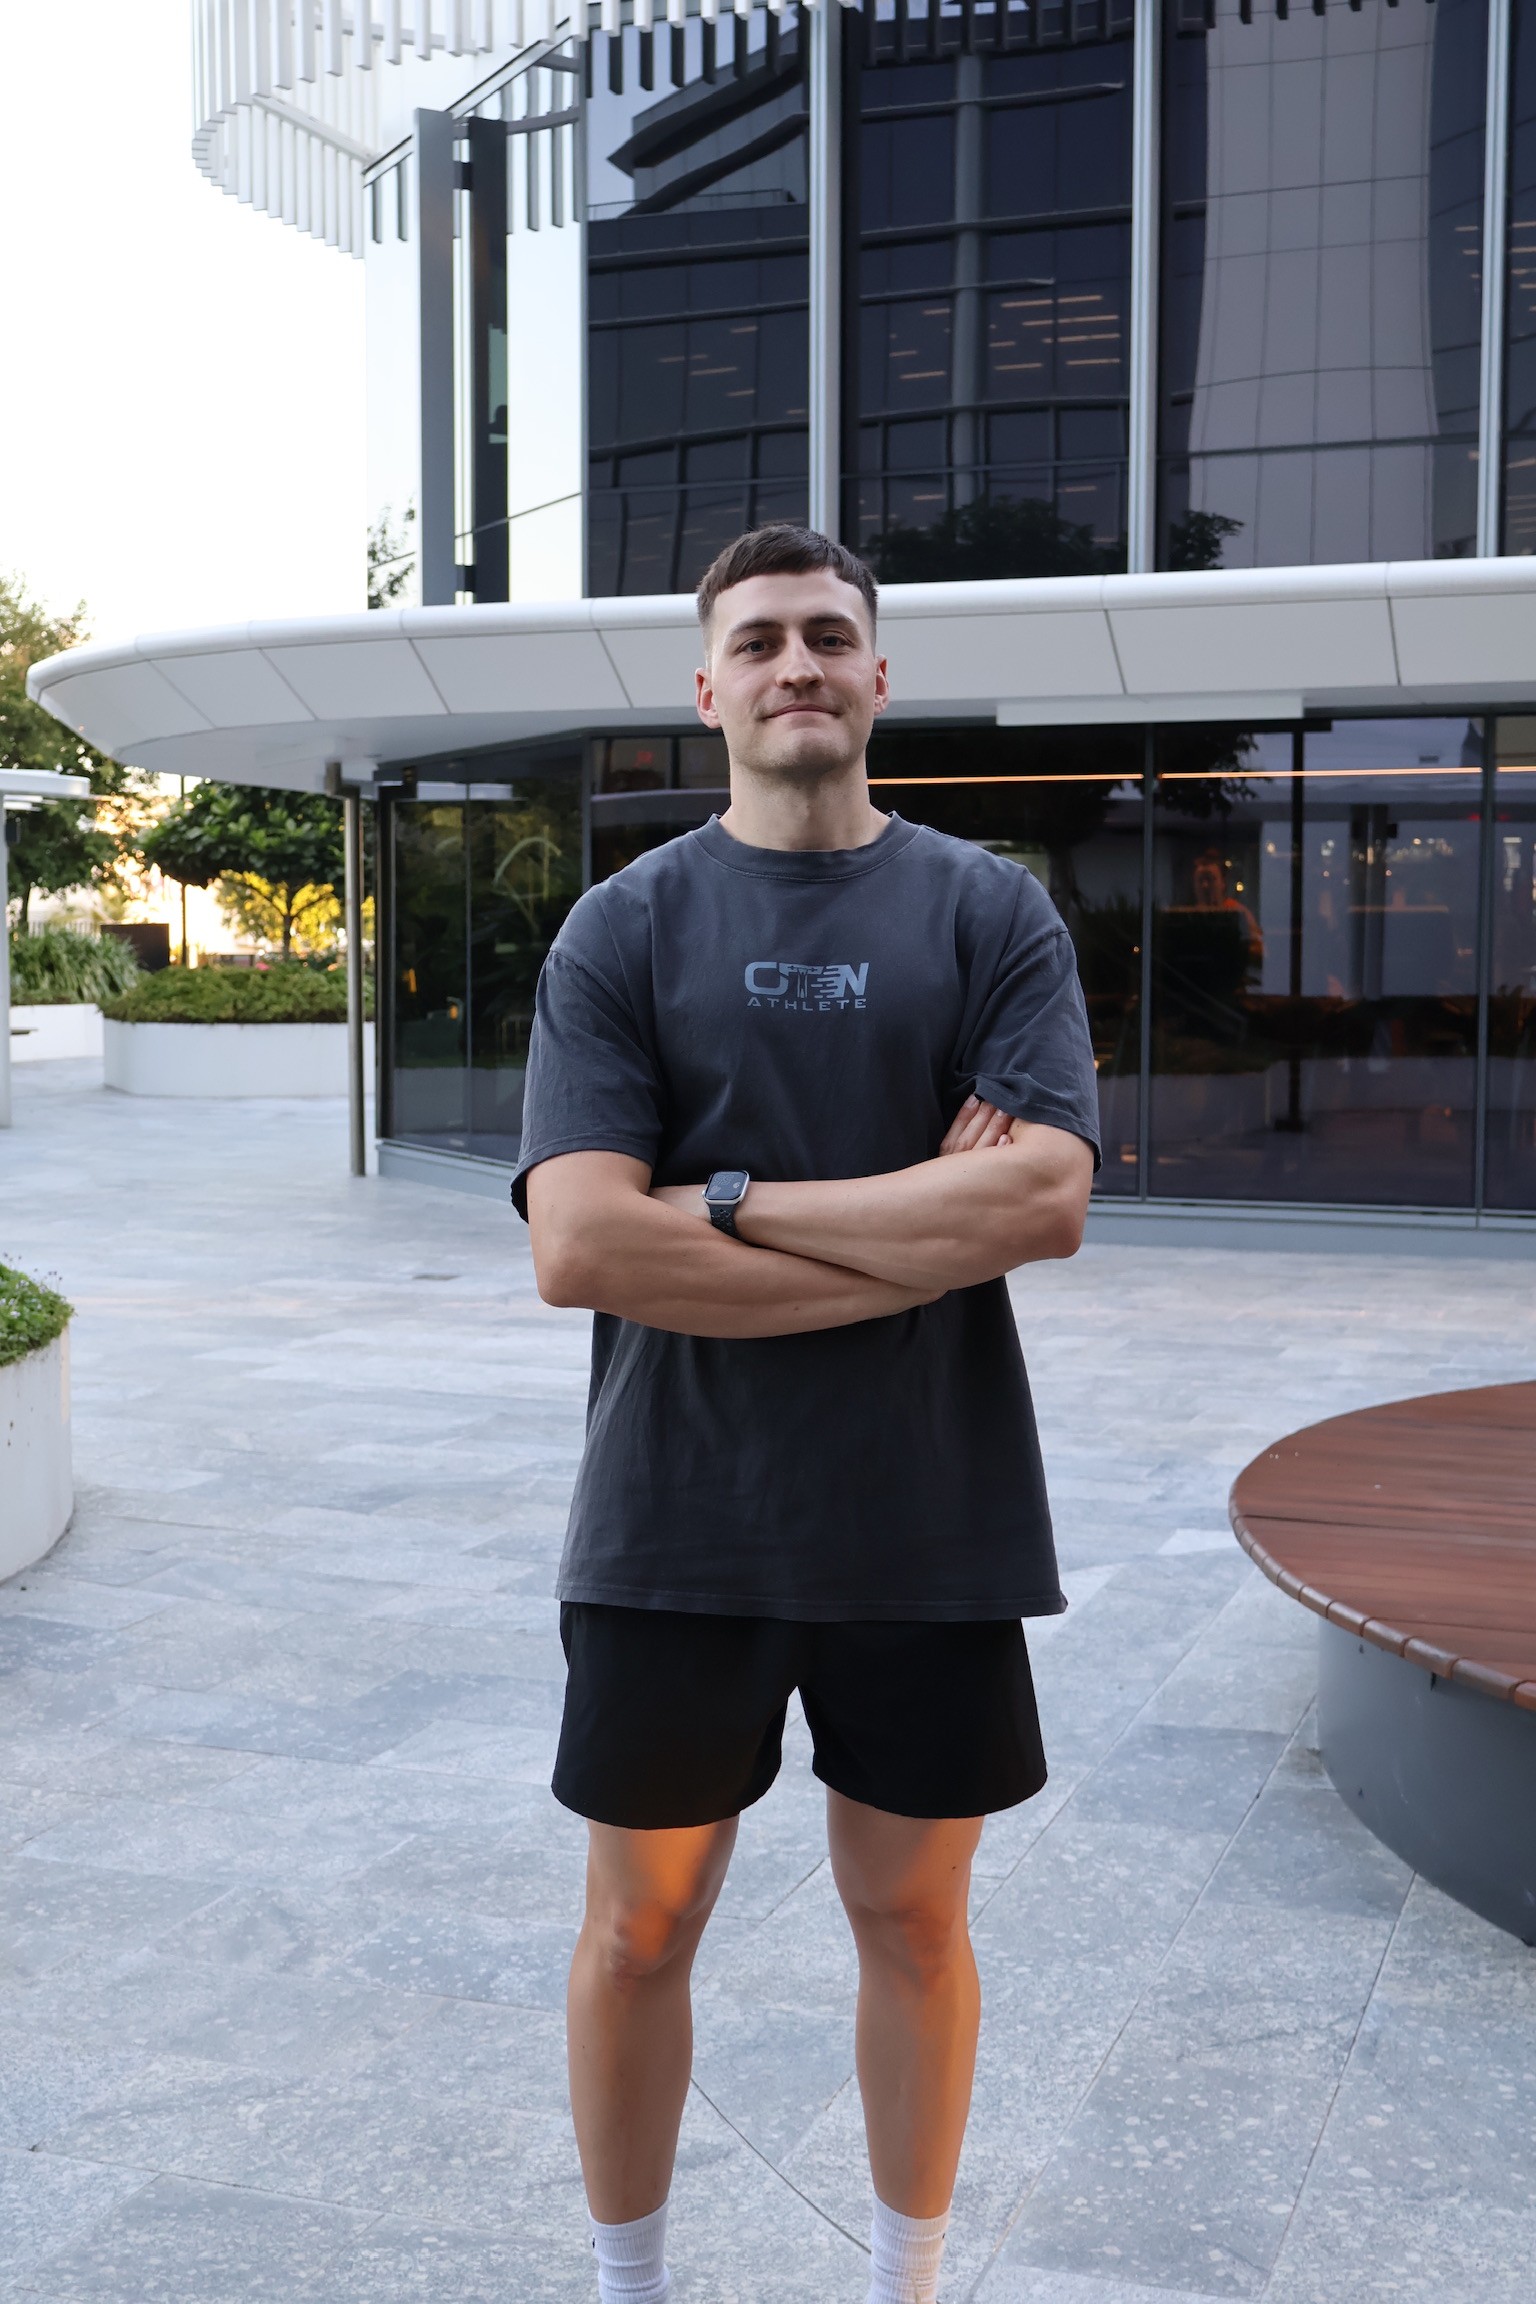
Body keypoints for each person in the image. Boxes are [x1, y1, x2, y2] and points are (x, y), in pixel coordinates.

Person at [513, 524, 1100, 2304]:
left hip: (933, 1519)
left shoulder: (987, 912)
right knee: (639, 1930)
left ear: (878, 677)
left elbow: (1043, 1198)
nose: (798, 664)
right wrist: (915, 1227)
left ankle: (904, 2284)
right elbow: (580, 1246)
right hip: (676, 1521)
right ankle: (632, 2287)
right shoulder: (625, 926)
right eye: (761, 640)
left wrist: (721, 1202)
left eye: (829, 636)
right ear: (708, 689)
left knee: (914, 1921)